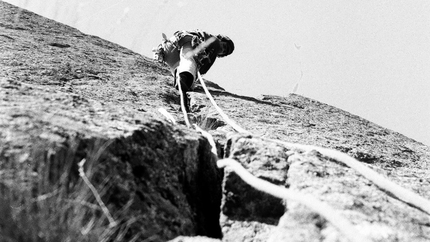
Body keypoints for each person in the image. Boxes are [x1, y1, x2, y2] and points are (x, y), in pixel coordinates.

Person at [153, 29, 235, 112]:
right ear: (221, 39)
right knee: (189, 62)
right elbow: (204, 69)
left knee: (184, 75)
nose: (222, 50)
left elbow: (201, 70)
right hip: (186, 41)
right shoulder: (214, 40)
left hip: (170, 51)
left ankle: (183, 98)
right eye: (224, 46)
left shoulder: (210, 50)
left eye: (224, 52)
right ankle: (184, 79)